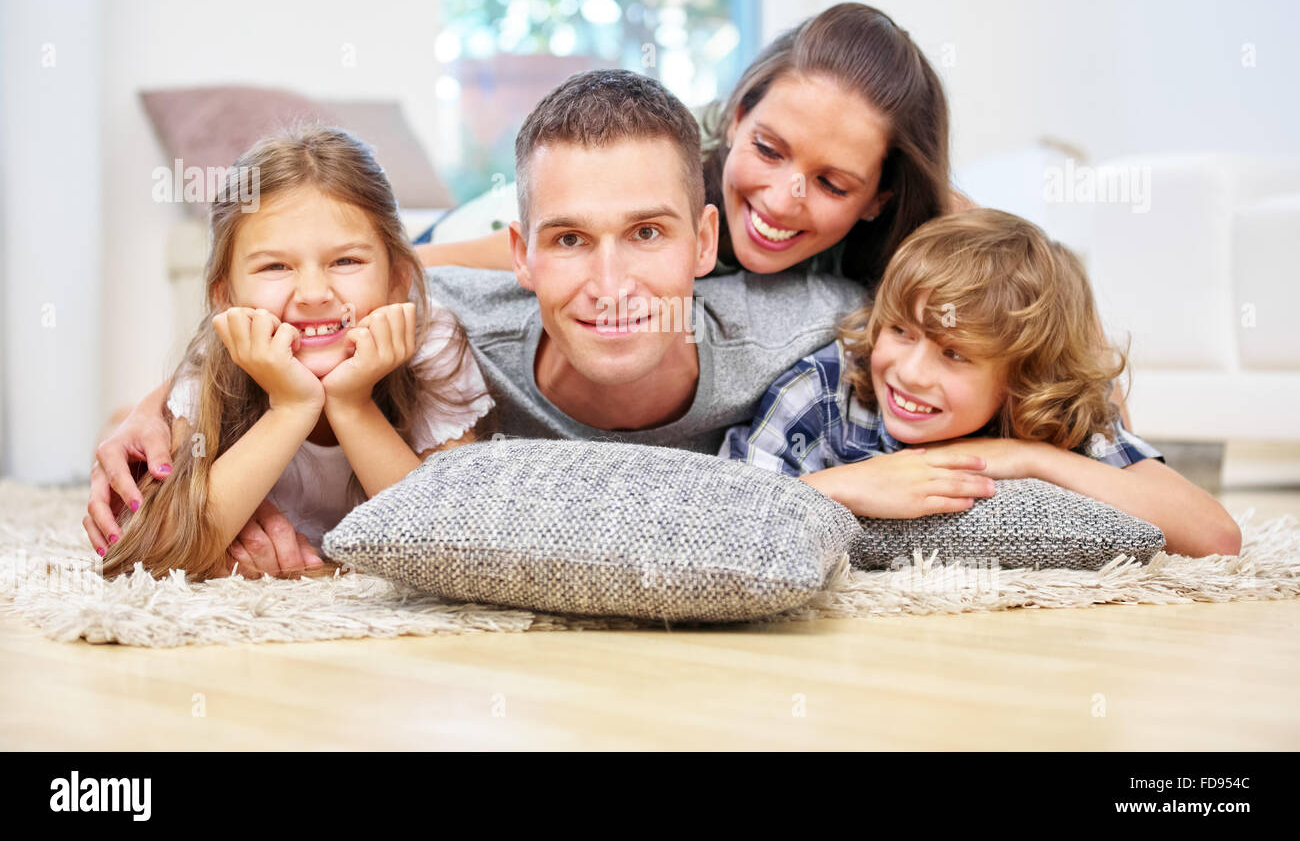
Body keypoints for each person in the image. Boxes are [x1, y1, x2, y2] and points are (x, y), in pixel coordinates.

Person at [89, 71, 865, 573]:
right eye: (568, 240)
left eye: (648, 233)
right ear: (521, 255)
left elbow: (963, 308)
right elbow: (278, 315)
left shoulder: (801, 325)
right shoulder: (438, 319)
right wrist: (149, 411)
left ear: (705, 240)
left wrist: (849, 484)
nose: (609, 284)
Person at [93, 126, 493, 579]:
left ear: (398, 277)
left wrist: (352, 402)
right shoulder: (216, 357)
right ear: (226, 296)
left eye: (346, 261)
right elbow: (149, 557)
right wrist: (292, 407)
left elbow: (454, 542)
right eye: (275, 266)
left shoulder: (430, 340)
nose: (313, 293)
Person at [724, 209, 1241, 558]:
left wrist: (1033, 458)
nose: (909, 372)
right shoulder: (825, 390)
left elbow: (1216, 536)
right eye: (900, 331)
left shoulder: (1048, 410)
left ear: (1021, 377)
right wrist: (846, 486)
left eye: (954, 354)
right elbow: (723, 518)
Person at [416, 2, 972, 289]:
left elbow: (1027, 286)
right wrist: (404, 263)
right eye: (770, 151)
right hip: (470, 228)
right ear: (737, 117)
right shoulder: (675, 159)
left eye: (831, 183)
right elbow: (560, 235)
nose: (781, 199)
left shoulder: (916, 221)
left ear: (882, 197)